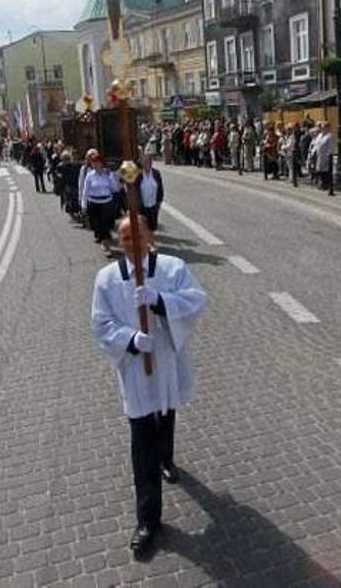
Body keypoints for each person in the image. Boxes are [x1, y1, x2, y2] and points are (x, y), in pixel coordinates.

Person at [90, 214, 208, 557]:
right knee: (142, 441)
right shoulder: (107, 279)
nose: (133, 243)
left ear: (149, 235)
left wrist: (160, 302)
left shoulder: (172, 267)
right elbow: (100, 323)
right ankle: (148, 520)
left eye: (138, 235)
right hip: (136, 370)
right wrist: (127, 339)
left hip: (167, 364)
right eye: (126, 238)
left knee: (166, 416)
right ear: (118, 241)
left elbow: (196, 299)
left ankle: (167, 457)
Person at [81, 151, 120, 251]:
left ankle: (105, 244)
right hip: (94, 203)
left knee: (105, 224)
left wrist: (110, 177)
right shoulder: (90, 175)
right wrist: (83, 205)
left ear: (102, 163)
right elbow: (86, 191)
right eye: (93, 163)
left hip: (106, 203)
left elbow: (115, 189)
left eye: (97, 162)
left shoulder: (108, 174)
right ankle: (104, 242)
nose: (95, 165)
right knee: (98, 226)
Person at [135, 154, 164, 232]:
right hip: (142, 205)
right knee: (143, 225)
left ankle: (151, 239)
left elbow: (160, 187)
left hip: (154, 204)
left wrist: (159, 201)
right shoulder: (138, 175)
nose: (146, 164)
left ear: (151, 163)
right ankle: (147, 241)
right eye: (144, 162)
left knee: (153, 225)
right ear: (141, 163)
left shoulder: (156, 173)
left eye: (148, 161)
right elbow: (134, 188)